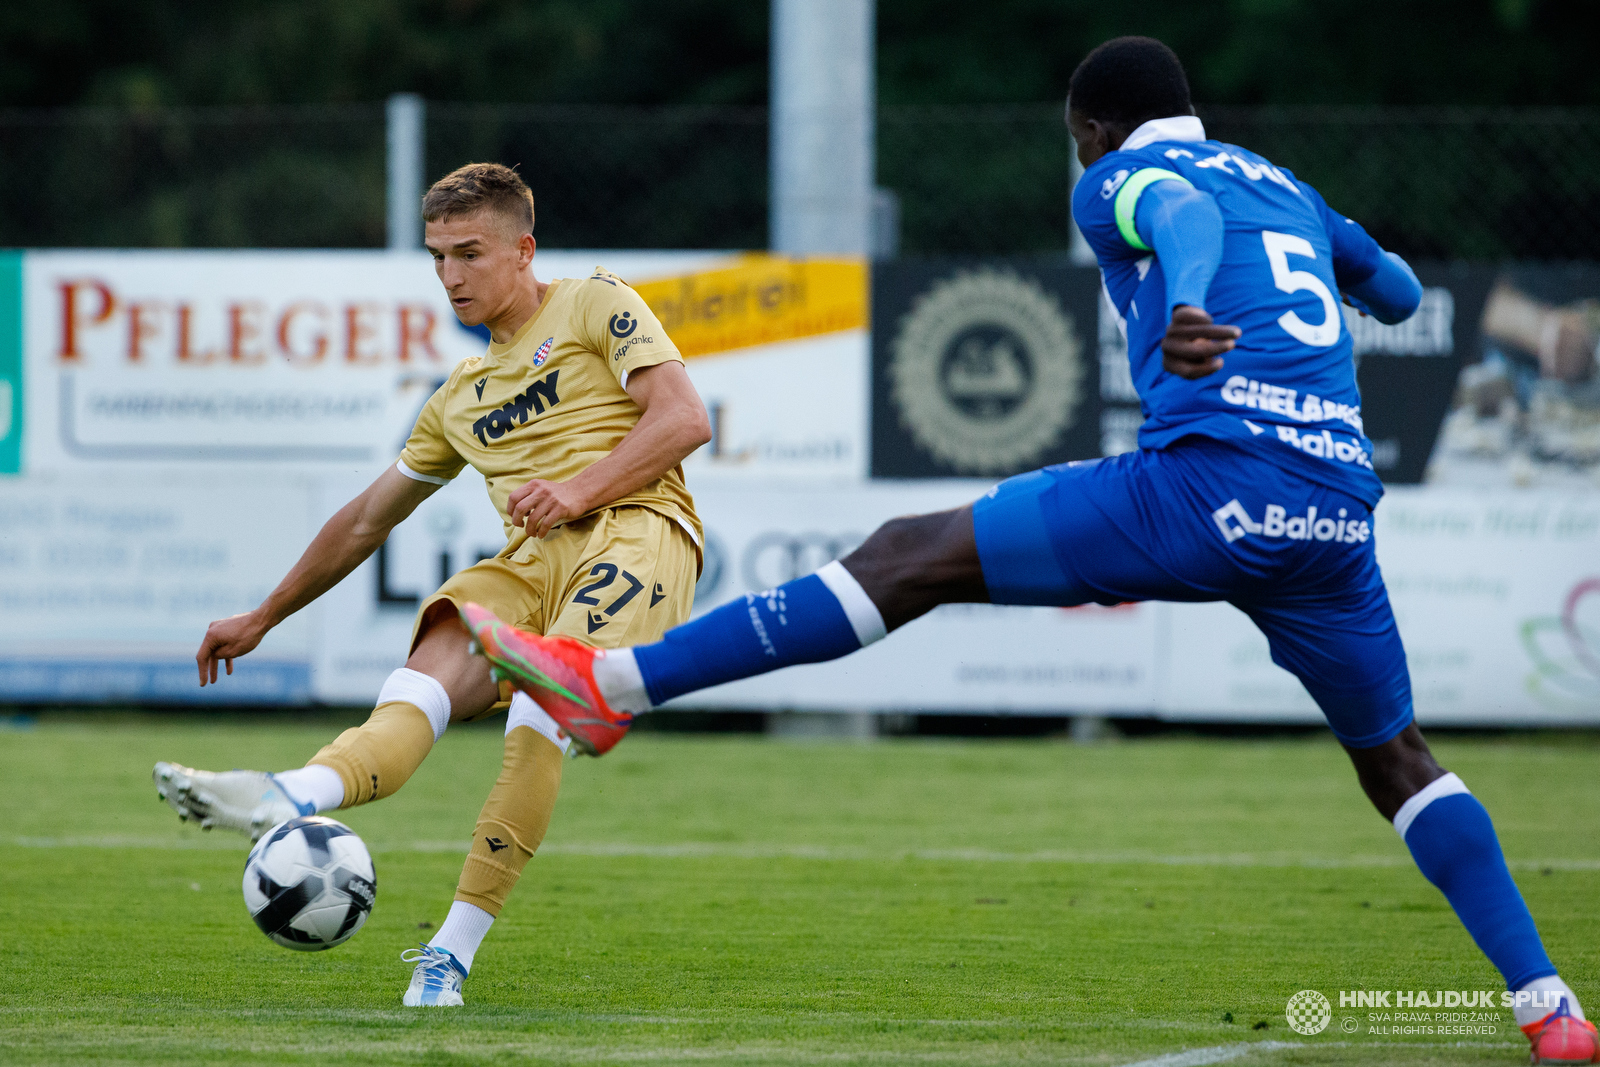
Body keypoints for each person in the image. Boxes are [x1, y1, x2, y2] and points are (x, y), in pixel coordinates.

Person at [456, 39, 1595, 1066]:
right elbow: (1394, 287)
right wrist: (1331, 258)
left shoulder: (1118, 180)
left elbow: (1181, 222)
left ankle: (613, 687)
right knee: (1398, 756)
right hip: (1335, 515)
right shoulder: (1284, 185)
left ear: (1091, 132)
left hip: (1205, 487)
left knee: (909, 557)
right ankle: (1549, 1007)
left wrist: (1190, 303)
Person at [152, 163, 710, 1007]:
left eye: (469, 254)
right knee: (423, 674)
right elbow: (367, 519)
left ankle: (449, 953)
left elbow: (684, 418)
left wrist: (578, 487)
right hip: (531, 560)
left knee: (540, 705)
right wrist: (263, 614)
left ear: (523, 250)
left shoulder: (597, 302)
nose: (450, 276)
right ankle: (293, 793)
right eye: (437, 257)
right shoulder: (459, 397)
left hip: (636, 533)